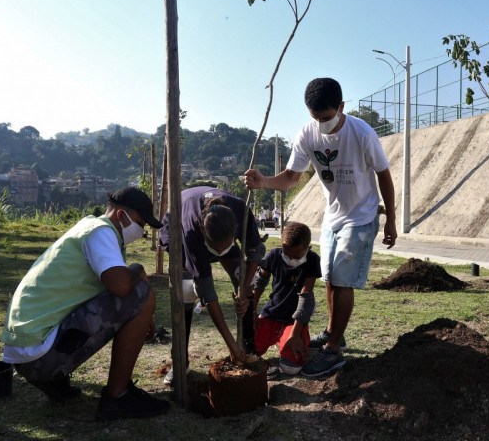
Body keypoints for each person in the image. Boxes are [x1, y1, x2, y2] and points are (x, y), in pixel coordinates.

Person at [244, 77, 397, 377]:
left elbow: (384, 175)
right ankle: (331, 333)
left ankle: (333, 351)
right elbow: (291, 177)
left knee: (341, 280)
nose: (320, 124)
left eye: (326, 118)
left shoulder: (362, 133)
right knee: (327, 277)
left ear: (341, 107)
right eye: (315, 118)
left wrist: (390, 218)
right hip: (334, 216)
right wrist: (264, 181)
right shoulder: (308, 133)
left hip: (362, 216)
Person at [1, 187, 170, 420]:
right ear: (122, 216)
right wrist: (138, 270)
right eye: (141, 224)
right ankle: (118, 396)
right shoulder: (101, 232)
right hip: (40, 356)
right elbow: (121, 286)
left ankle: (55, 381)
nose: (141, 232)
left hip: (26, 353)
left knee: (130, 289)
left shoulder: (87, 228)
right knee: (142, 293)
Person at [159, 186, 265, 384]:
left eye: (224, 248)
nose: (219, 254)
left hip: (217, 230)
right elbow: (208, 291)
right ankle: (180, 360)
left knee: (243, 278)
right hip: (178, 229)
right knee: (186, 292)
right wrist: (230, 343)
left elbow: (254, 251)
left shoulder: (241, 211)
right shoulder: (191, 232)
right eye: (215, 250)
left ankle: (248, 348)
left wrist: (243, 290)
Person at [251, 222, 320, 377]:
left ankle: (290, 337)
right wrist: (252, 310)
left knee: (291, 368)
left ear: (307, 248)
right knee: (249, 351)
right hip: (272, 313)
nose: (290, 258)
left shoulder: (312, 260)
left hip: (294, 320)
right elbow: (259, 282)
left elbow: (306, 297)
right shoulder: (274, 255)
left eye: (296, 255)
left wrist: (295, 334)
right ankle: (278, 337)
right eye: (286, 253)